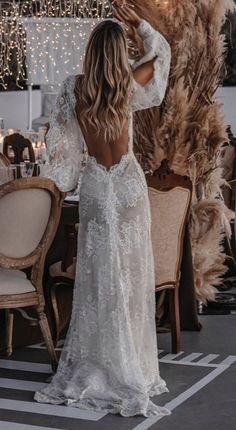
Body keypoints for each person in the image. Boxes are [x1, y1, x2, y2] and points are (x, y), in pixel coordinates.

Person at [34, 1, 171, 418]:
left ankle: (99, 361)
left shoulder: (73, 89)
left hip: (95, 184)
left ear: (91, 52)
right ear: (119, 54)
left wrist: (51, 192)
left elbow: (61, 157)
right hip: (128, 187)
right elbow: (162, 51)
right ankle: (135, 365)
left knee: (97, 276)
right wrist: (140, 25)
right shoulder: (130, 85)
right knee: (130, 275)